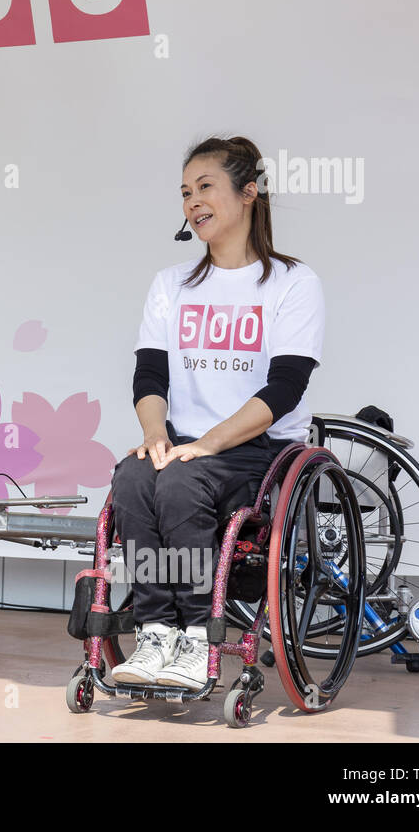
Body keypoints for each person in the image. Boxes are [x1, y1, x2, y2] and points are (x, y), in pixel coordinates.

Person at [108, 136, 324, 690]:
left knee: (180, 482)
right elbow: (150, 375)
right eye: (185, 192)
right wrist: (155, 434)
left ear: (248, 193)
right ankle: (157, 632)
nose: (192, 202)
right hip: (184, 440)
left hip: (258, 448)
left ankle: (194, 636)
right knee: (132, 474)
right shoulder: (171, 284)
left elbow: (286, 387)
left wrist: (209, 444)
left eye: (205, 187)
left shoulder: (293, 283)